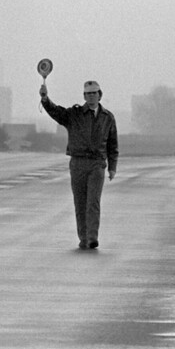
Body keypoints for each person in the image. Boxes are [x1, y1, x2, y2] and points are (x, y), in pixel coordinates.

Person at [40, 79, 119, 250]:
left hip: (97, 163)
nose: (91, 96)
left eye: (94, 93)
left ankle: (92, 237)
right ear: (84, 96)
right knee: (80, 202)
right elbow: (56, 112)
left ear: (100, 95)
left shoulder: (108, 118)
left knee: (93, 202)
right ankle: (83, 237)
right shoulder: (74, 115)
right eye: (88, 94)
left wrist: (112, 167)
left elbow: (113, 144)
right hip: (78, 163)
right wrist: (45, 99)